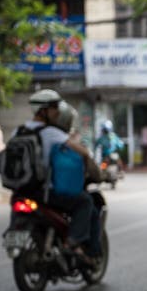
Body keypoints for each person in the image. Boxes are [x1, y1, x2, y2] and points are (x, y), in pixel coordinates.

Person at [24, 89, 96, 263]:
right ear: (43, 111)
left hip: (23, 191)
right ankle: (72, 242)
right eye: (54, 108)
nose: (57, 112)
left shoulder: (19, 131)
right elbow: (84, 153)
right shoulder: (51, 133)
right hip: (47, 194)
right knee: (85, 201)